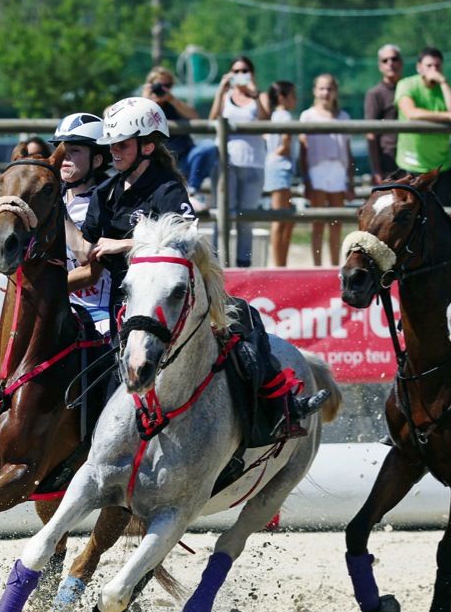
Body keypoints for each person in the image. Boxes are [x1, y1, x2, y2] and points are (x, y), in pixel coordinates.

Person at [82, 96, 328, 437]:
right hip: (123, 303)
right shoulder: (104, 192)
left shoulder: (167, 190)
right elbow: (86, 248)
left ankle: (280, 410)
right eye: (112, 145)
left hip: (171, 302)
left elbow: (185, 239)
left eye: (122, 145)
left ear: (147, 147)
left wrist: (123, 244)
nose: (114, 152)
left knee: (246, 323)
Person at [0, 112, 113, 460]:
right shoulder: (46, 200)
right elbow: (22, 257)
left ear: (98, 160)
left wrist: (45, 288)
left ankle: (104, 436)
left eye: (74, 151)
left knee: (109, 356)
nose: (63, 158)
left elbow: (91, 271)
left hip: (96, 310)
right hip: (50, 305)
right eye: (61, 150)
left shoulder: (104, 204)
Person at [210, 55, 269, 267]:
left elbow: (265, 120)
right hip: (225, 163)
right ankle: (215, 264)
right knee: (222, 215)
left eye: (245, 71)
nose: (240, 75)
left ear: (252, 73)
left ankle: (244, 265)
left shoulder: (260, 96)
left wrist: (255, 93)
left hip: (253, 163)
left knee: (246, 218)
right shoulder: (225, 96)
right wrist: (221, 91)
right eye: (236, 71)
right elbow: (212, 120)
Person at [395, 46, 451, 206]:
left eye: (437, 66)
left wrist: (443, 82)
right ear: (419, 67)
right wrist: (449, 116)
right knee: (410, 214)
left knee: (442, 213)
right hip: (411, 165)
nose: (434, 70)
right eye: (429, 66)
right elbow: (411, 113)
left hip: (441, 166)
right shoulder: (406, 84)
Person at [144, 66, 216, 213]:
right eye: (158, 85)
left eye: (167, 85)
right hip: (159, 163)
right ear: (150, 85)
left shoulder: (175, 104)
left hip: (185, 159)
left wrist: (172, 99)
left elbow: (194, 116)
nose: (162, 89)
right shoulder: (143, 105)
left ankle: (192, 191)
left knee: (208, 146)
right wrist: (146, 99)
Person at [299, 74, 355, 266]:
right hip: (317, 171)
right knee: (318, 222)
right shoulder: (307, 116)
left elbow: (348, 150)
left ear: (335, 91)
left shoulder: (344, 117)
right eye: (321, 88)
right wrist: (306, 179)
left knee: (336, 222)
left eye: (329, 88)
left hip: (338, 171)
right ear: (315, 91)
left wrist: (350, 181)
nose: (325, 92)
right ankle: (317, 265)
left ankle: (334, 264)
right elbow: (303, 151)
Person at [264, 80, 297, 267]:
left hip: (276, 166)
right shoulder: (285, 116)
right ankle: (279, 264)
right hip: (280, 167)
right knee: (280, 218)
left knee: (287, 218)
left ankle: (281, 262)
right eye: (292, 95)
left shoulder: (274, 116)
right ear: (282, 97)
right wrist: (277, 154)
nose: (295, 99)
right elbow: (285, 144)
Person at [365, 44, 402, 185]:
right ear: (380, 66)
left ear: (401, 62)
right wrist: (376, 170)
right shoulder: (375, 94)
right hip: (388, 160)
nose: (390, 63)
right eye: (385, 60)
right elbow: (371, 134)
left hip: (413, 158)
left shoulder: (410, 89)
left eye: (394, 59)